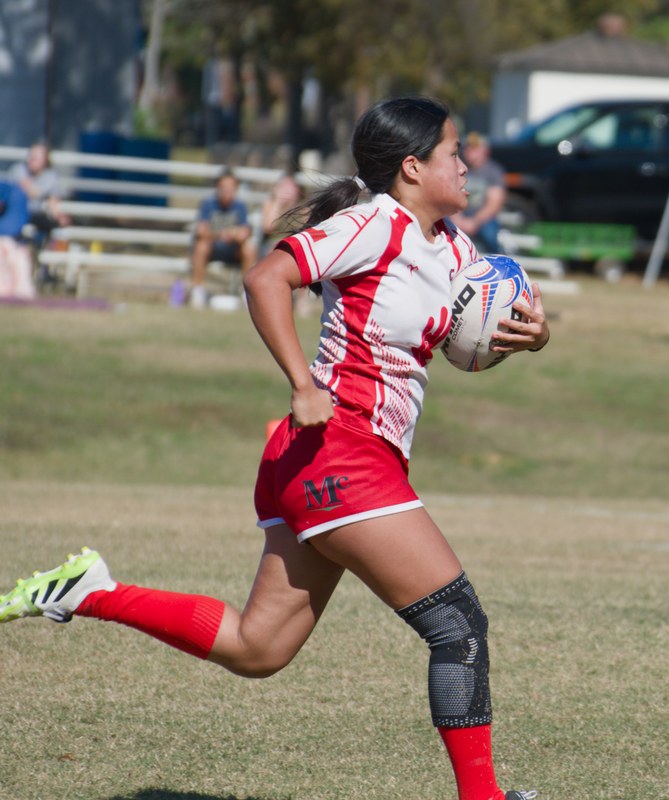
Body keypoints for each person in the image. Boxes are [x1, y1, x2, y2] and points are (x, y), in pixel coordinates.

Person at [0, 97, 549, 800]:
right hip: (337, 450)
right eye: (452, 152)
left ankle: (90, 591)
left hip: (338, 461)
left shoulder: (451, 247)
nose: (466, 163)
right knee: (457, 625)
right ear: (412, 168)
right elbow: (267, 277)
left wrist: (533, 337)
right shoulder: (371, 224)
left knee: (258, 648)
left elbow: (468, 335)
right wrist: (301, 382)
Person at [189, 167, 257, 308]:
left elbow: (245, 231)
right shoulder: (208, 204)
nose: (227, 192)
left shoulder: (240, 207)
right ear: (217, 188)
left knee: (249, 248)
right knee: (201, 245)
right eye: (224, 188)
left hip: (233, 249)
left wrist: (236, 235)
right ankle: (197, 290)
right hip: (212, 248)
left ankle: (246, 292)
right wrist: (221, 234)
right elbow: (201, 231)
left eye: (231, 188)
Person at [450, 131, 506, 253]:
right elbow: (448, 196)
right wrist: (458, 219)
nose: (470, 152)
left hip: (483, 219)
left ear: (485, 150)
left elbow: (494, 203)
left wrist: (474, 222)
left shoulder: (494, 171)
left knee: (490, 235)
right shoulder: (457, 168)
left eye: (475, 148)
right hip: (458, 216)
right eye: (468, 148)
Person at [8, 142, 70, 237]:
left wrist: (59, 215)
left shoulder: (51, 176)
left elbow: (53, 199)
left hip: (36, 214)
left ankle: (36, 247)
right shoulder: (19, 170)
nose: (32, 159)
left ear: (45, 160)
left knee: (53, 225)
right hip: (15, 212)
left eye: (36, 157)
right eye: (31, 156)